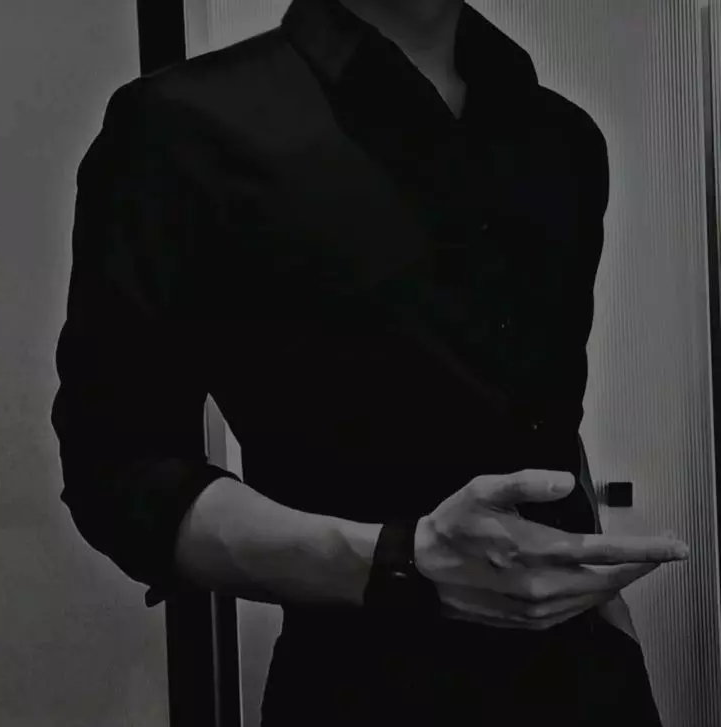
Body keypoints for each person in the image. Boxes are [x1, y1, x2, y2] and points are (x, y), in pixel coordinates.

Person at [51, 0, 690, 724]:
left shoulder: (565, 139)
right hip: (365, 688)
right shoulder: (180, 127)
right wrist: (400, 560)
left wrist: (607, 611)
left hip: (594, 684)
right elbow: (116, 467)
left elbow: (540, 418)